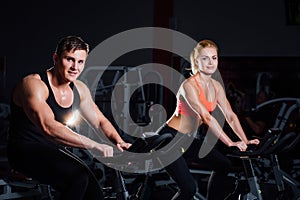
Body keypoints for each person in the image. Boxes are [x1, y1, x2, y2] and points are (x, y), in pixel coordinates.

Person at [7, 36, 131, 200]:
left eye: (80, 62)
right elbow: (48, 127)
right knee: (78, 178)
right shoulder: (33, 84)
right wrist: (94, 145)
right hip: (24, 150)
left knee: (94, 191)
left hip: (52, 150)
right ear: (56, 58)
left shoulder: (80, 89)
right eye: (69, 59)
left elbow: (100, 121)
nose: (75, 67)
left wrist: (118, 141)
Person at [156, 39, 260, 200]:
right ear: (196, 61)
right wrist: (231, 143)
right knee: (189, 189)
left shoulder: (216, 86)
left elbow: (231, 116)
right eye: (205, 58)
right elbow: (206, 117)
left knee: (223, 165)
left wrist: (245, 142)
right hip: (169, 139)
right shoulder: (189, 85)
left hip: (187, 140)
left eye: (214, 58)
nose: (210, 62)